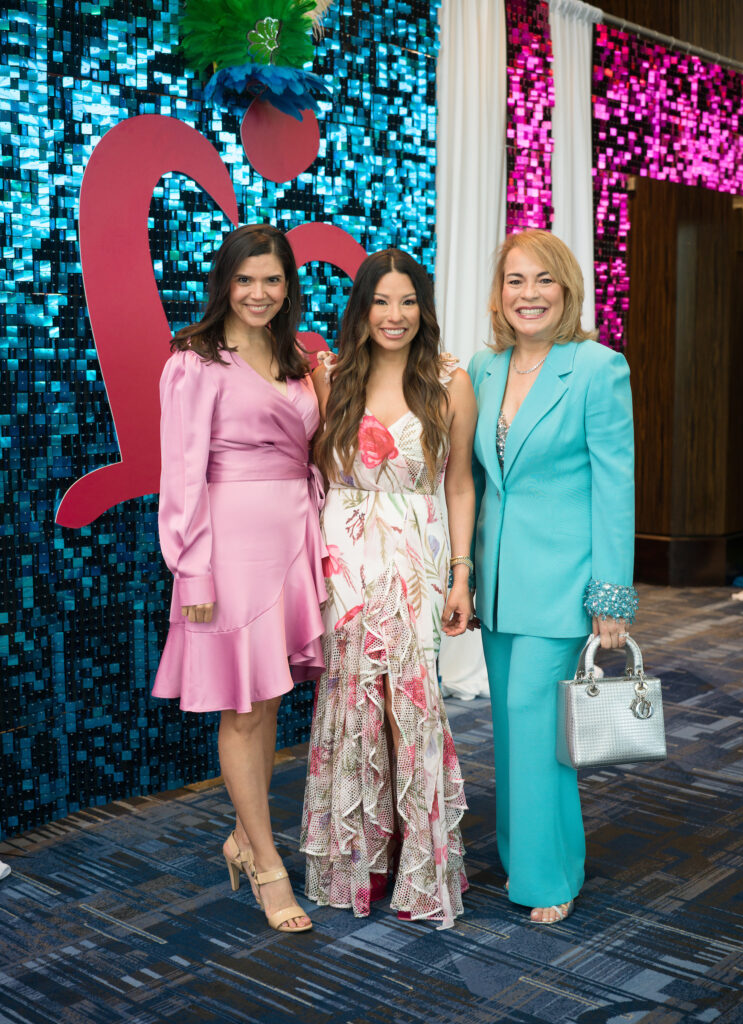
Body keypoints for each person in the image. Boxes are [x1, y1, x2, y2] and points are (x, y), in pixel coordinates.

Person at [152, 223, 326, 933]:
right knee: (243, 709)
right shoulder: (194, 362)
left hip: (294, 537)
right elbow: (181, 475)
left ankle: (242, 835)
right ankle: (266, 864)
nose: (259, 293)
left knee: (272, 702)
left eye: (273, 280)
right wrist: (190, 570)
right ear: (225, 281)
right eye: (246, 278)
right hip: (227, 550)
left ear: (288, 287)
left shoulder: (296, 358)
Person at [300, 249, 478, 927]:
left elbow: (459, 484)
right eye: (381, 301)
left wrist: (462, 572)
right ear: (362, 307)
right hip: (342, 557)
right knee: (350, 702)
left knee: (410, 703)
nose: (395, 315)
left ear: (423, 309)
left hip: (415, 559)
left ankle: (417, 859)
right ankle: (358, 857)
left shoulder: (449, 379)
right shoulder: (332, 373)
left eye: (408, 301)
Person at [468, 229, 637, 925]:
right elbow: (476, 480)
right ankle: (532, 852)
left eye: (543, 281)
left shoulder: (597, 367)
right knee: (512, 732)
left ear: (566, 290)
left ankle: (546, 877)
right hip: (498, 586)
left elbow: (615, 487)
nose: (528, 294)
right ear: (499, 293)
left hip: (563, 584)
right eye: (515, 281)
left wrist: (612, 598)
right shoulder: (482, 368)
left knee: (540, 733)